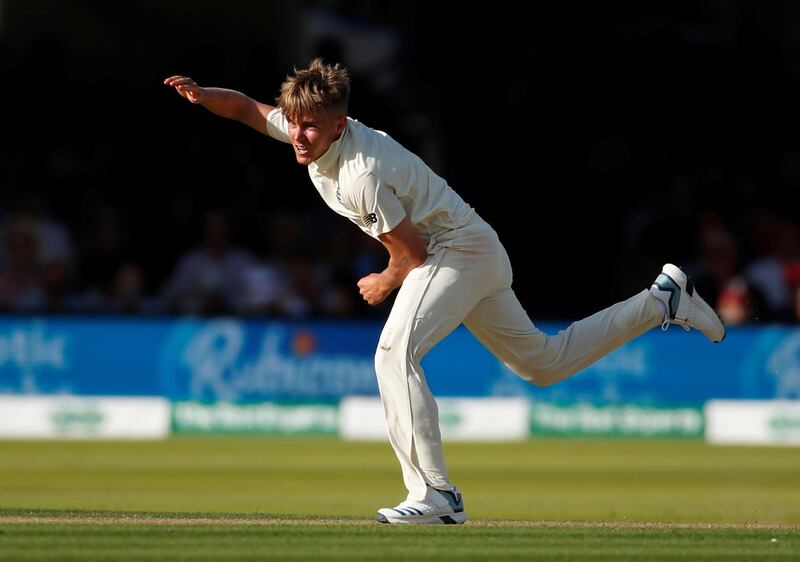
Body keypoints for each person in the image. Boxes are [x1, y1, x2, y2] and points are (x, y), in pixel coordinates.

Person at [165, 59, 725, 525]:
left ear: (339, 124)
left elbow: (409, 254)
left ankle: (436, 496)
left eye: (311, 126)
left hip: (456, 252)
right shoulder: (304, 130)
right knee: (543, 363)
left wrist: (383, 280)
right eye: (294, 122)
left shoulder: (361, 172)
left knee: (393, 353)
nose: (298, 135)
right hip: (472, 248)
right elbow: (244, 107)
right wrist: (201, 94)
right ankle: (661, 300)